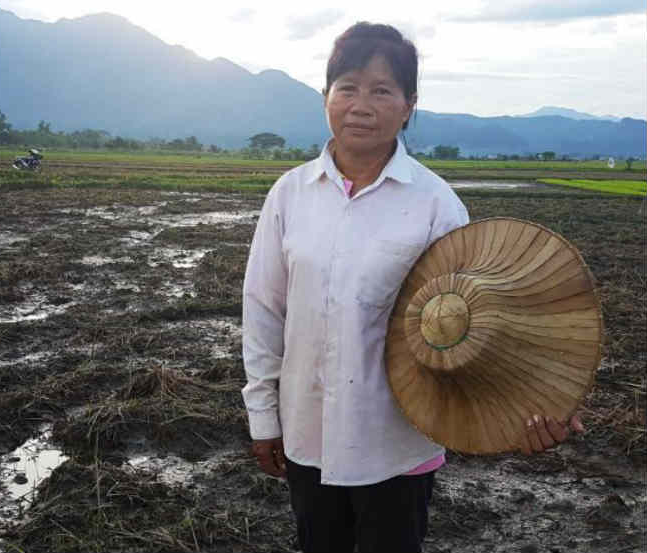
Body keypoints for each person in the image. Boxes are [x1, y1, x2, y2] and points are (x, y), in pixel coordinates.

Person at [241, 22, 584, 553]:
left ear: (408, 105)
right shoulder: (290, 195)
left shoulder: (435, 204)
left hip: (398, 444)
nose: (361, 104)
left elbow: (484, 318)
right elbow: (265, 310)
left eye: (382, 90)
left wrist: (532, 406)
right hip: (306, 431)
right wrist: (264, 417)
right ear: (326, 96)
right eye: (348, 87)